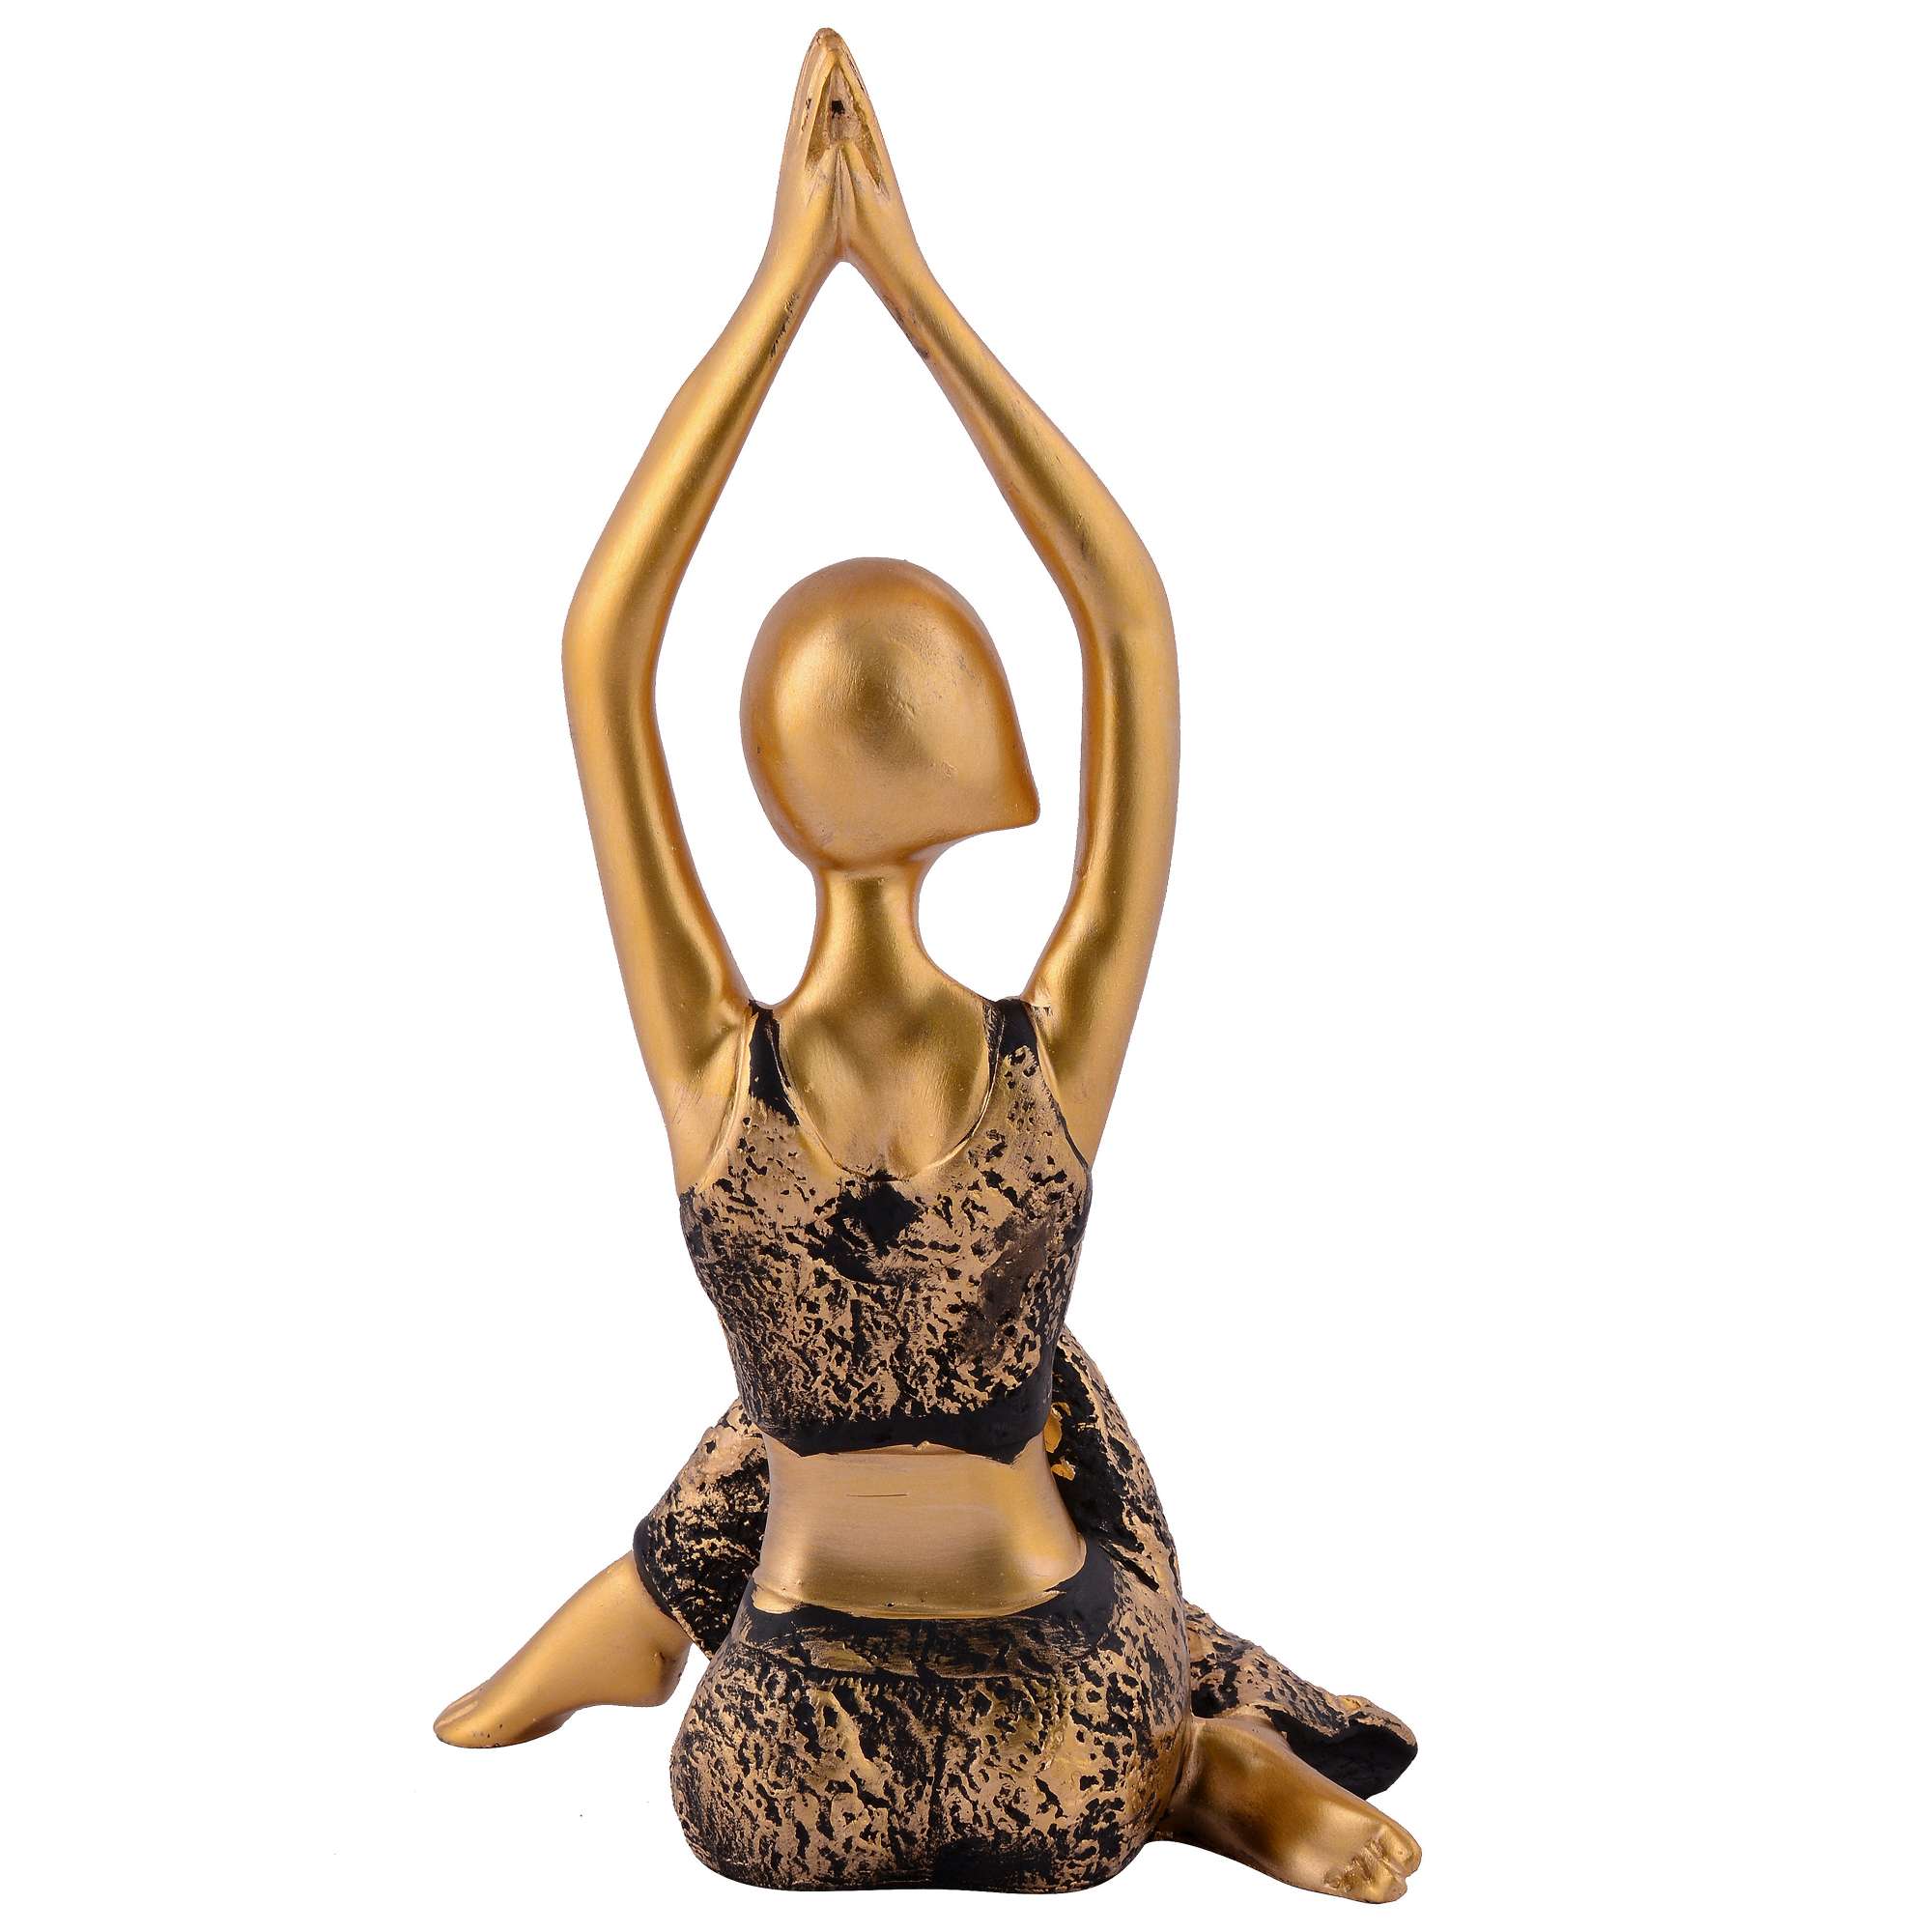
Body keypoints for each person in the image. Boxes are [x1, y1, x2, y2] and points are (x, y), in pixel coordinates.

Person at [436, 32, 1421, 1901]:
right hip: (948, 1722)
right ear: (974, 744)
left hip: (897, 1715)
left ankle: (1174, 1757)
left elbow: (604, 646)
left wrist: (803, 285)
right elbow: (1126, 623)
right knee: (837, 1726)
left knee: (804, 1544)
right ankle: (1194, 1765)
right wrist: (886, 285)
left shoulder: (729, 1071)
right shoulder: (1019, 1058)